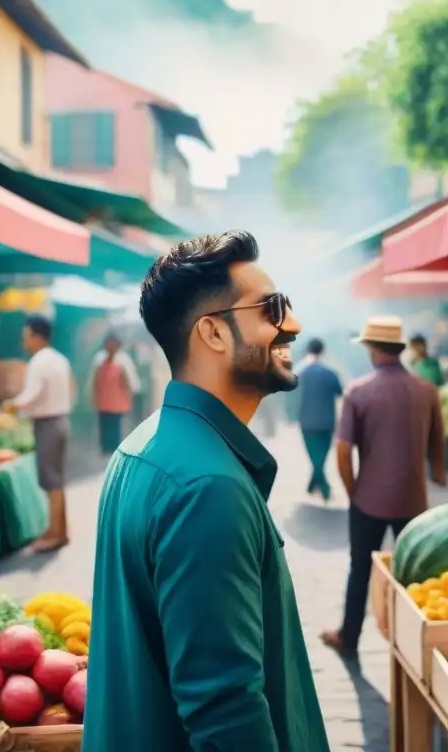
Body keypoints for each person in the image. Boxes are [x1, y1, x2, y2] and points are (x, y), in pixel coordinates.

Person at [83, 231, 329, 752]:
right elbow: (226, 710)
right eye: (272, 308)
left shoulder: (140, 448)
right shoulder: (207, 486)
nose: (293, 324)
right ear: (214, 333)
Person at [321, 316, 447, 655]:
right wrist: (438, 474)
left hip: (369, 499)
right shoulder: (426, 390)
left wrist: (352, 491)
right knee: (418, 574)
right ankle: (424, 643)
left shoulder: (358, 392)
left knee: (360, 568)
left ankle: (349, 637)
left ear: (372, 349)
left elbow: (343, 450)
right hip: (414, 499)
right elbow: (438, 442)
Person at [4, 317, 74, 553]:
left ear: (37, 336)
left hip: (47, 424)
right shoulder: (59, 359)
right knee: (57, 479)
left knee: (51, 480)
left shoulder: (39, 362)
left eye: (26, 335)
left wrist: (12, 405)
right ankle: (60, 530)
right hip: (61, 421)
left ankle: (54, 533)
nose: (24, 340)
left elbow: (32, 395)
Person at [296, 338, 343, 500]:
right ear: (322, 351)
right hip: (327, 422)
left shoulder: (299, 372)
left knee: (314, 456)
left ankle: (318, 485)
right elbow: (339, 392)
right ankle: (322, 487)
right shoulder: (330, 373)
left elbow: (292, 398)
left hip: (306, 422)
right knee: (321, 456)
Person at [87, 334, 141, 455]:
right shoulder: (99, 359)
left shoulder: (123, 360)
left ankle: (118, 451)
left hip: (120, 403)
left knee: (117, 428)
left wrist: (131, 397)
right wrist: (93, 398)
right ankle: (106, 451)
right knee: (105, 428)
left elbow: (131, 382)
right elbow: (94, 381)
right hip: (104, 402)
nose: (110, 347)